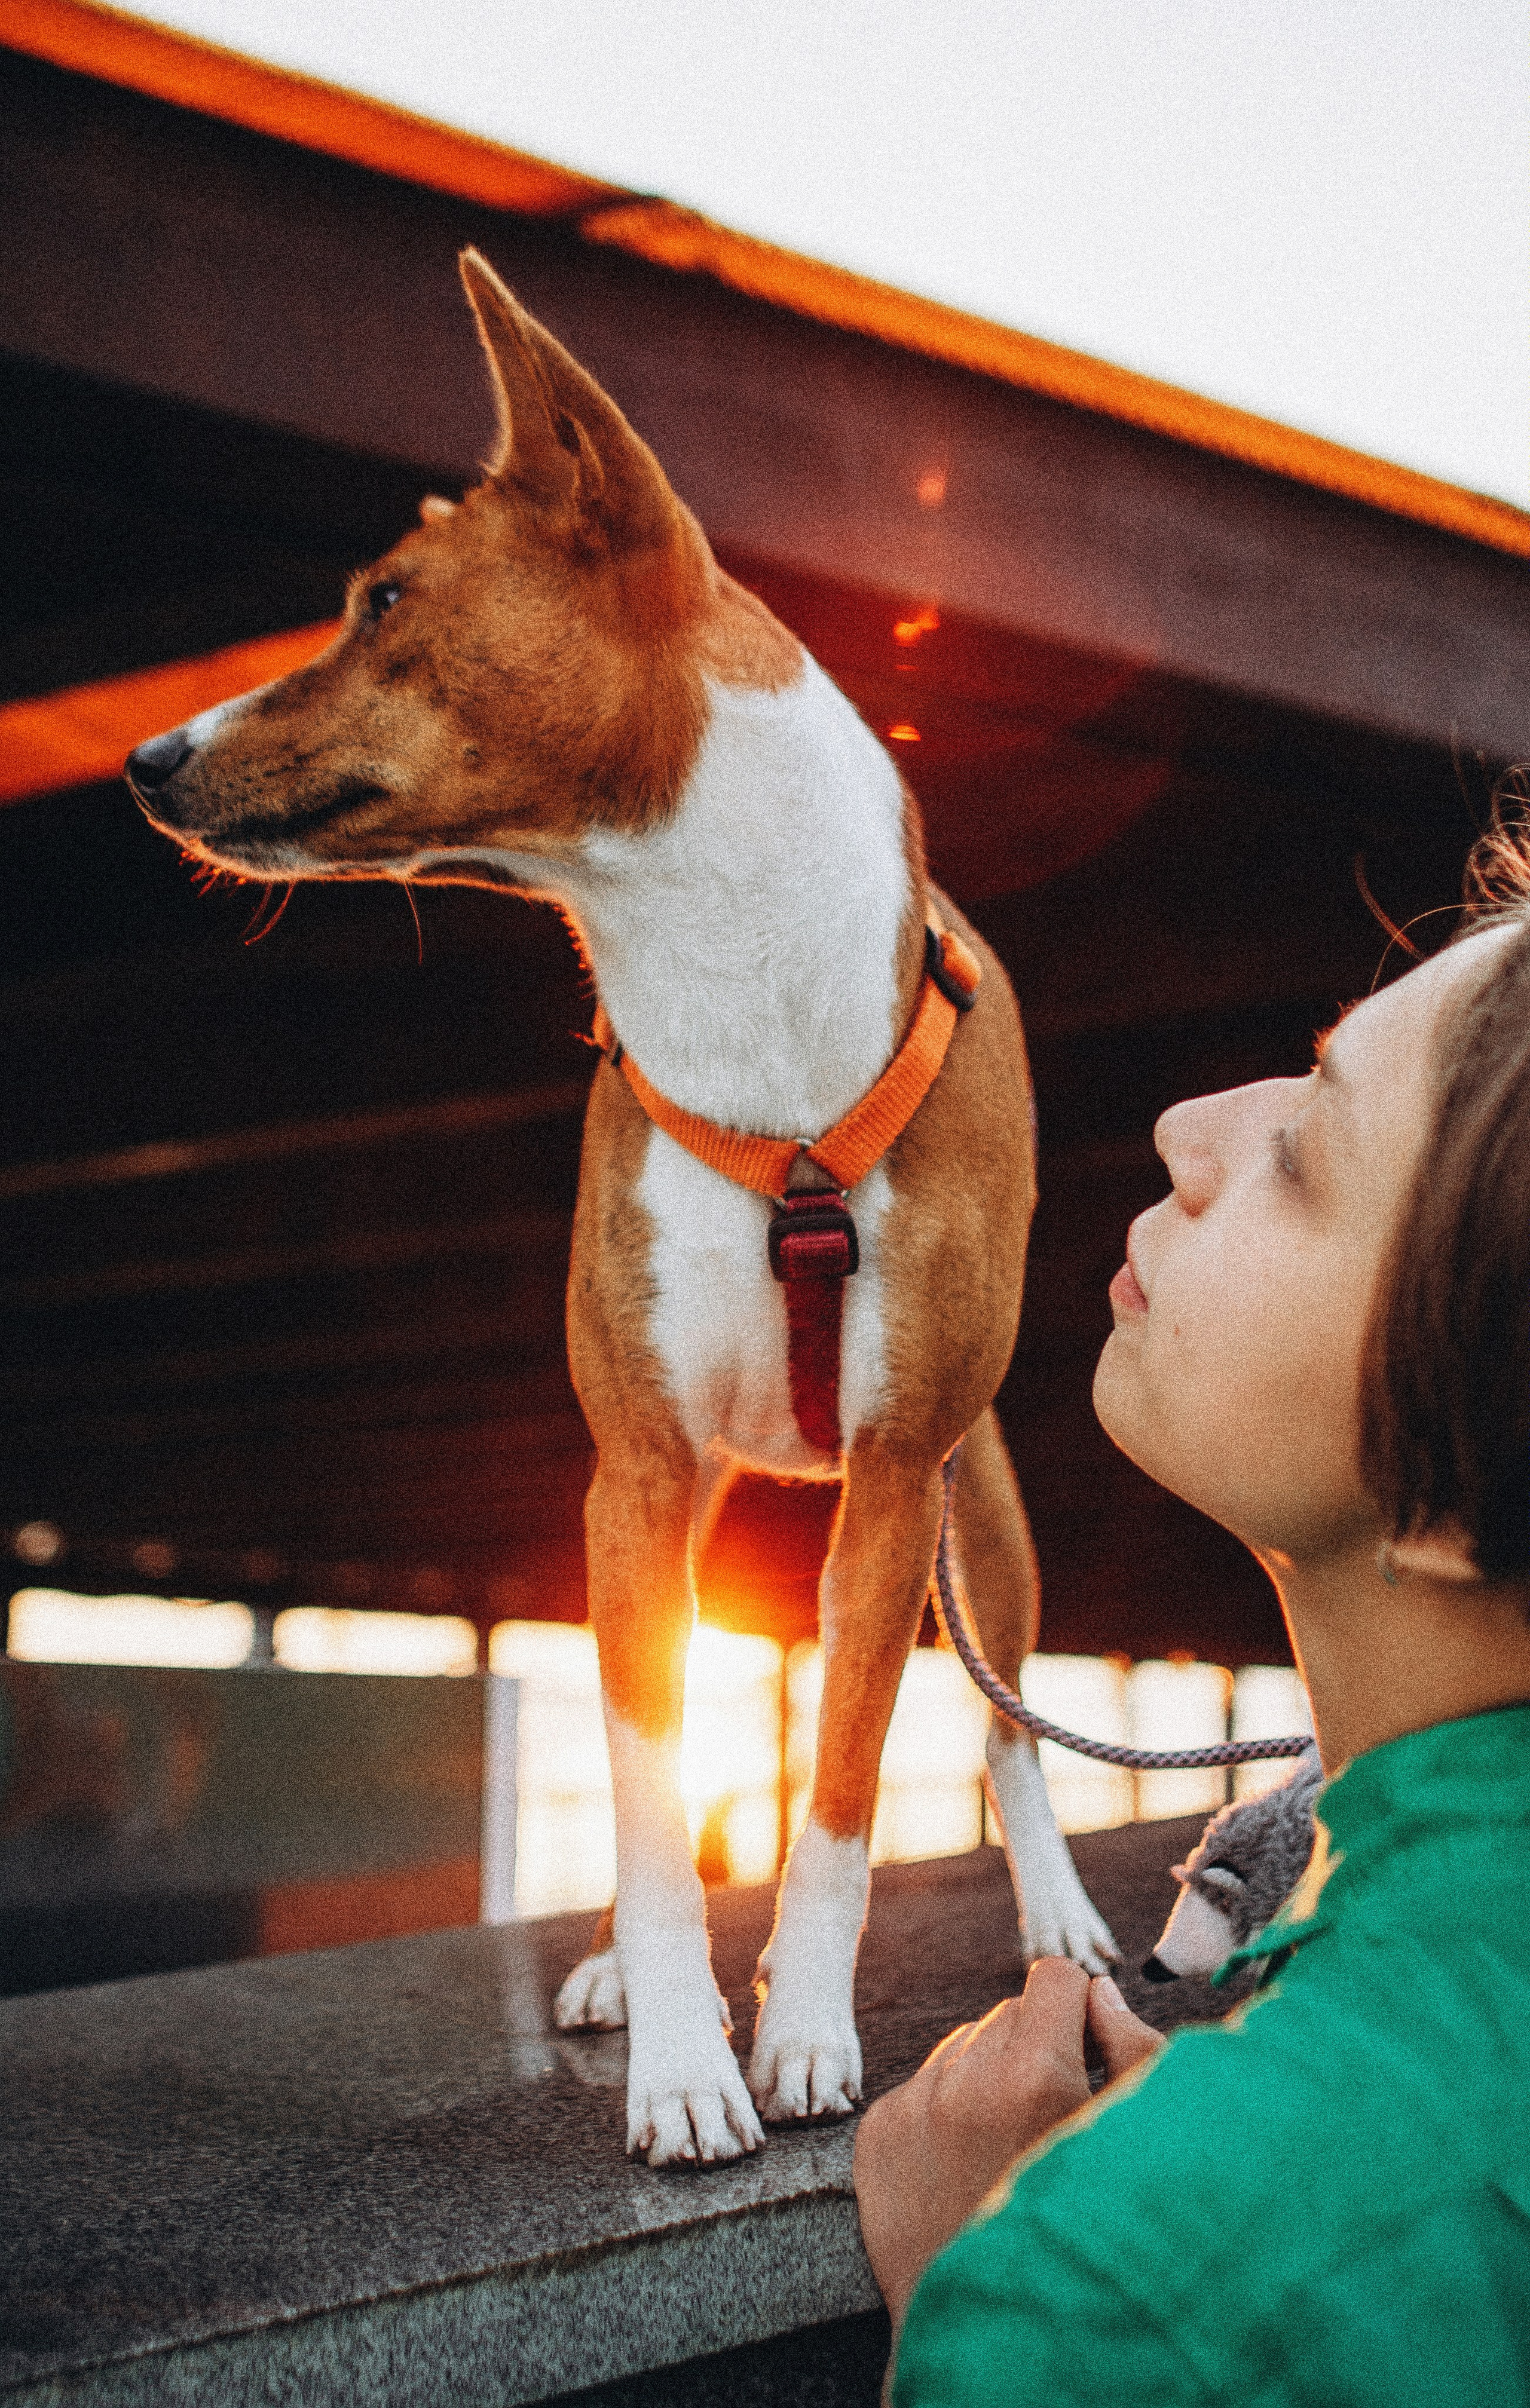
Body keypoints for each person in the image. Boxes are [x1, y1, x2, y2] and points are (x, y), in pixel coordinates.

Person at [855, 819, 1530, 2404]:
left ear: (1465, 1492)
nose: (1188, 1128)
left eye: (1305, 1158)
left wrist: (994, 2285)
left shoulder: (1116, 2298)